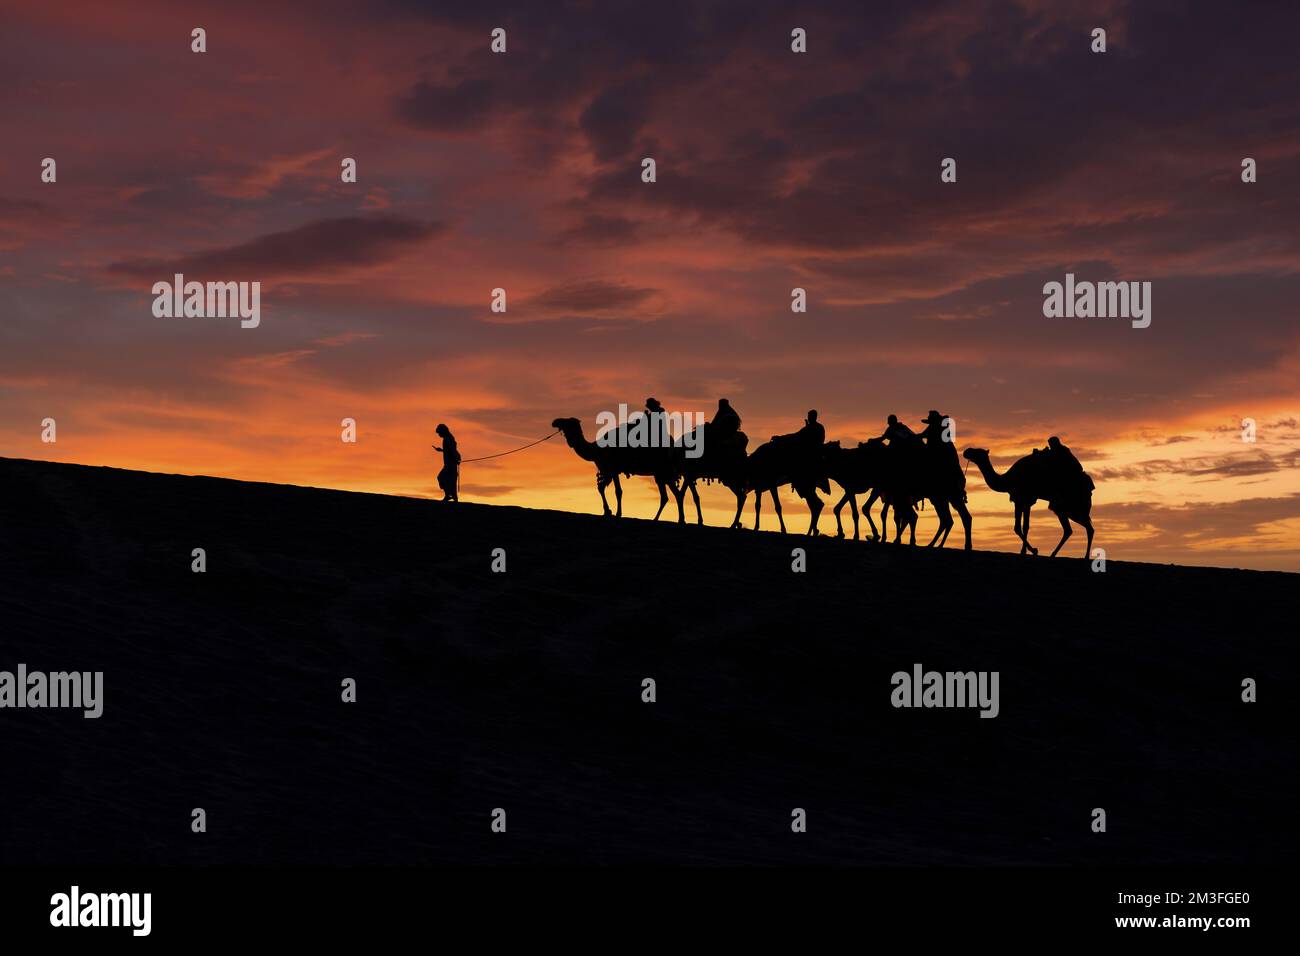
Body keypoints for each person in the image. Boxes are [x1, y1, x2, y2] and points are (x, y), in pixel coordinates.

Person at [432, 423, 460, 502]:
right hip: (450, 463)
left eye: (439, 433)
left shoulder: (448, 438)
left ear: (442, 431)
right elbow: (450, 450)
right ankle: (450, 496)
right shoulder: (448, 438)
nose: (439, 435)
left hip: (450, 464)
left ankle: (449, 495)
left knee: (442, 478)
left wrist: (456, 458)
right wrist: (441, 450)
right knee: (450, 480)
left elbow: (452, 450)